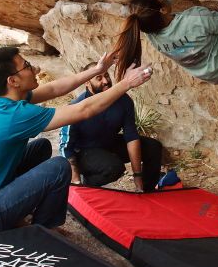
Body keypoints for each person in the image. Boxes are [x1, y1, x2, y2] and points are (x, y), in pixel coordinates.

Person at [0, 47, 152, 239]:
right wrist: (126, 84)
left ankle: (15, 215)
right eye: (27, 66)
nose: (35, 68)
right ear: (12, 81)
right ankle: (43, 233)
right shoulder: (14, 116)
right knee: (59, 167)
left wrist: (97, 69)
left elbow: (52, 90)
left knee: (40, 147)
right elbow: (84, 110)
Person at [59, 63, 163, 192]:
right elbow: (66, 148)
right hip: (84, 152)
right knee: (113, 167)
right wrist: (76, 183)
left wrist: (137, 176)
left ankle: (146, 191)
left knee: (153, 147)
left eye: (107, 75)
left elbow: (131, 137)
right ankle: (88, 185)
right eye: (99, 78)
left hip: (109, 143)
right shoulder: (76, 107)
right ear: (87, 82)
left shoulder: (123, 100)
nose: (106, 81)